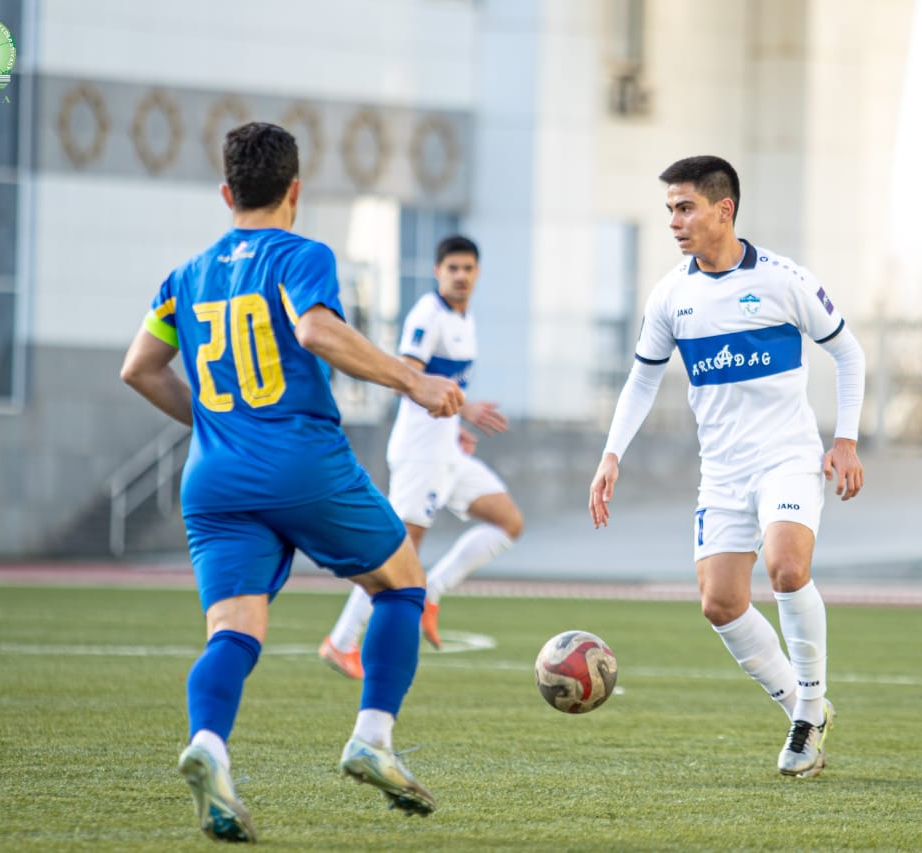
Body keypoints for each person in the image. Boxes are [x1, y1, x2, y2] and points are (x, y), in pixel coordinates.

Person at [120, 121, 464, 842]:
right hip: (300, 463)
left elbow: (139, 369)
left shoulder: (185, 276)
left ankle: (208, 746)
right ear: (295, 191)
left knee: (233, 631)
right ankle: (372, 737)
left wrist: (215, 421)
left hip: (213, 480)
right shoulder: (300, 253)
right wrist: (414, 381)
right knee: (402, 584)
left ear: (227, 193)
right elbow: (314, 331)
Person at [588, 155, 865, 779]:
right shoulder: (671, 295)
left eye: (685, 208)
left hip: (787, 458)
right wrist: (611, 454)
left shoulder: (783, 280)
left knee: (787, 568)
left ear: (724, 209)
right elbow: (641, 379)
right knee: (719, 603)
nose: (674, 222)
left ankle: (808, 712)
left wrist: (845, 440)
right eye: (670, 210)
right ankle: (805, 710)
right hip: (721, 472)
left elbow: (849, 353)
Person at [319, 235, 523, 679]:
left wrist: (455, 425)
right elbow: (403, 378)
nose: (460, 276)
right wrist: (464, 409)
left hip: (446, 449)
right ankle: (342, 640)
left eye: (468, 268)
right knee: (398, 549)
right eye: (452, 268)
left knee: (508, 521)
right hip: (419, 454)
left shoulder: (464, 319)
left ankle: (432, 592)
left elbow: (441, 389)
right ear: (437, 271)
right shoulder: (427, 316)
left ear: (478, 273)